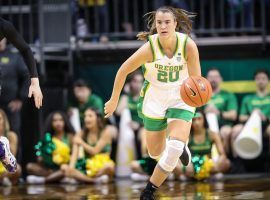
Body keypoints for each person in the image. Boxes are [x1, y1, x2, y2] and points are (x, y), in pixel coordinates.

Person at [104, 6, 200, 199]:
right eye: (159, 22)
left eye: (167, 22)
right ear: (155, 25)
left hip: (180, 96)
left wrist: (198, 95)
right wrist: (114, 99)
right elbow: (123, 70)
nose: (163, 26)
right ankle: (178, 144)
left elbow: (196, 80)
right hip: (155, 97)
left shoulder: (188, 45)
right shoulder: (150, 47)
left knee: (173, 149)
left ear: (175, 24)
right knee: (156, 153)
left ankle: (149, 191)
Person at [0, 17, 43, 173]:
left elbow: (25, 49)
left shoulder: (4, 26)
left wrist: (35, 82)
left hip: (9, 99)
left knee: (14, 129)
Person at [61, 107, 116, 184]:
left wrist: (81, 143)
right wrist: (71, 168)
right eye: (85, 116)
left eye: (90, 116)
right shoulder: (82, 132)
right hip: (87, 165)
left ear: (98, 119)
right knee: (64, 168)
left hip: (102, 166)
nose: (86, 119)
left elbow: (94, 151)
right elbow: (74, 153)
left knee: (109, 167)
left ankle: (82, 179)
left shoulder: (105, 132)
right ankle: (93, 181)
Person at [26, 111, 75, 184]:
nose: (58, 123)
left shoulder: (70, 137)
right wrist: (43, 158)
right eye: (55, 120)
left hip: (64, 167)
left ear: (65, 121)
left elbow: (75, 156)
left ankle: (44, 180)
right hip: (50, 169)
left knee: (66, 169)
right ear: (50, 123)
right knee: (29, 166)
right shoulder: (47, 137)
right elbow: (40, 156)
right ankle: (57, 177)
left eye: (61, 120)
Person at [180, 112, 230, 181]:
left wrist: (216, 163)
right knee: (176, 165)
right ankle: (199, 175)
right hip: (192, 166)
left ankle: (198, 175)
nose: (197, 122)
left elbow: (222, 154)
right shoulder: (187, 135)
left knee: (226, 163)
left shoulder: (212, 134)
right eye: (194, 120)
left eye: (199, 119)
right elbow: (180, 153)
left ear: (204, 120)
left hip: (209, 165)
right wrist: (186, 166)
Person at [231, 69, 270, 157]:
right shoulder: (248, 98)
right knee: (235, 130)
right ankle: (237, 163)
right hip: (250, 125)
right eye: (258, 78)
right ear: (255, 81)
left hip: (266, 125)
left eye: (263, 78)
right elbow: (241, 117)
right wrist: (253, 116)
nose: (261, 81)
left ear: (268, 80)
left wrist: (265, 117)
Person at [205, 68, 238, 154]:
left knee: (225, 132)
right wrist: (204, 112)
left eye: (216, 77)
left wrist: (219, 112)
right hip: (206, 127)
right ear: (206, 79)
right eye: (210, 77)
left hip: (224, 125)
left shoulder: (228, 95)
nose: (213, 79)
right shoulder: (202, 96)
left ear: (220, 79)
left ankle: (226, 159)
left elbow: (233, 115)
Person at [116, 70, 144, 159]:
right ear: (130, 83)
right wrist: (126, 93)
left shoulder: (146, 97)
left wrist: (139, 125)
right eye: (135, 81)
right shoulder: (125, 97)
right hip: (127, 128)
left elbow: (151, 117)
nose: (137, 84)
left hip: (142, 126)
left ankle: (144, 163)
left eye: (140, 82)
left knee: (143, 134)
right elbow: (118, 112)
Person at [0, 109, 21, 186]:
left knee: (17, 168)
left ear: (4, 121)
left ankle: (3, 180)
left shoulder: (11, 136)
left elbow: (11, 158)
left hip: (4, 168)